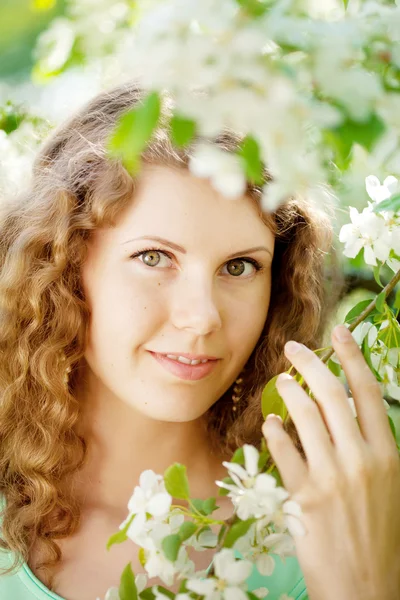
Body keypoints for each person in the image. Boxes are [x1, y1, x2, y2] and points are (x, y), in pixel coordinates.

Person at [0, 83, 398, 600]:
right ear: (63, 266)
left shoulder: (352, 515)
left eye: (240, 266)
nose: (203, 317)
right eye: (154, 257)